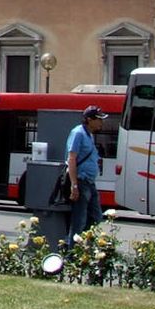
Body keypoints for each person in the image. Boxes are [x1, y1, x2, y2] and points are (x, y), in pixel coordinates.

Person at [65, 105, 109, 246]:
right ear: (89, 119)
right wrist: (74, 185)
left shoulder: (89, 134)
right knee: (79, 220)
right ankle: (72, 252)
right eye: (99, 119)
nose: (101, 123)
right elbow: (72, 158)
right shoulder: (78, 133)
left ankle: (81, 244)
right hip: (81, 181)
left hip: (89, 182)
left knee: (96, 216)